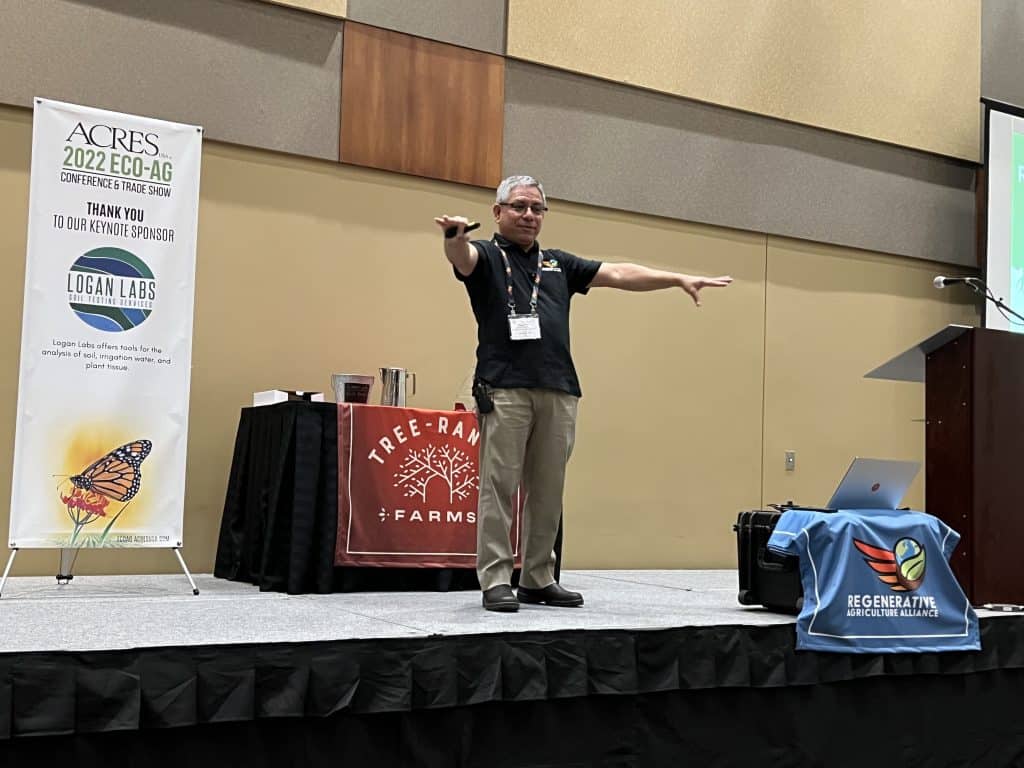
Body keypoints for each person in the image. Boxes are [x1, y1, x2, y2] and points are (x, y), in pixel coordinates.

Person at [435, 175, 732, 612]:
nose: (529, 215)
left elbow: (617, 272)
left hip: (559, 388)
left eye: (537, 208)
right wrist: (453, 236)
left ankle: (537, 578)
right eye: (519, 206)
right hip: (505, 387)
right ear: (497, 212)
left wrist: (676, 277)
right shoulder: (486, 257)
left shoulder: (557, 264)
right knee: (499, 487)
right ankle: (496, 579)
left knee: (549, 489)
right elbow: (460, 258)